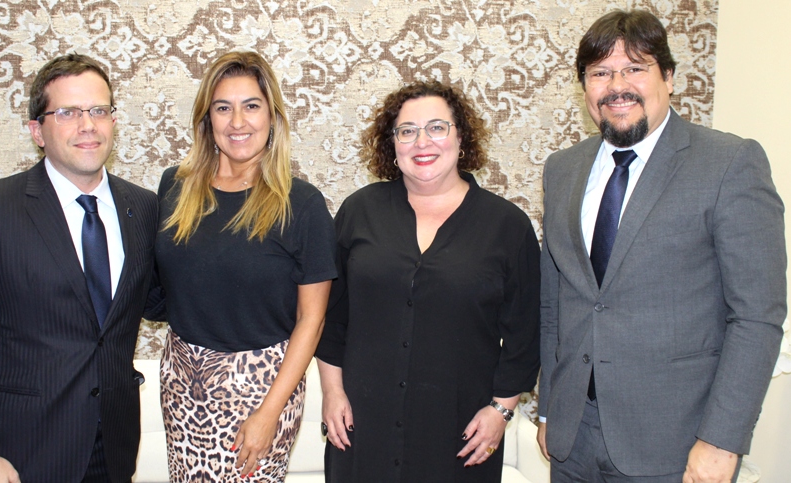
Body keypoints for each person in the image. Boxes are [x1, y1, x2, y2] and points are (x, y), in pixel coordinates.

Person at [537, 9, 786, 482]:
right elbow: (556, 303)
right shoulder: (562, 169)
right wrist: (549, 408)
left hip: (677, 442)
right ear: (584, 87)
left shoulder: (730, 163)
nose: (617, 86)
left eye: (635, 68)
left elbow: (756, 316)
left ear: (668, 77)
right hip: (574, 439)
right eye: (600, 73)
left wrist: (721, 441)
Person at [0, 53, 158, 483]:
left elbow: (161, 297)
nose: (87, 125)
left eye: (99, 110)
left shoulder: (143, 207)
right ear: (37, 131)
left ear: (113, 122)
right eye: (68, 112)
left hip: (112, 450)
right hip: (18, 456)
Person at [315, 80, 541, 482]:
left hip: (460, 434)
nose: (422, 142)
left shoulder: (507, 225)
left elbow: (526, 333)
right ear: (392, 144)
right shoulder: (358, 211)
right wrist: (332, 393)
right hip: (362, 426)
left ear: (461, 137)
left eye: (437, 127)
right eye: (407, 131)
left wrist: (501, 410)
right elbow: (331, 318)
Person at [148, 51, 336, 482]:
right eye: (223, 108)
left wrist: (269, 413)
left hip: (262, 387)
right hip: (183, 379)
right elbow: (160, 284)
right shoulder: (175, 187)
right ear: (206, 119)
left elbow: (312, 319)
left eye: (251, 106)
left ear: (272, 116)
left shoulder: (301, 204)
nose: (237, 122)